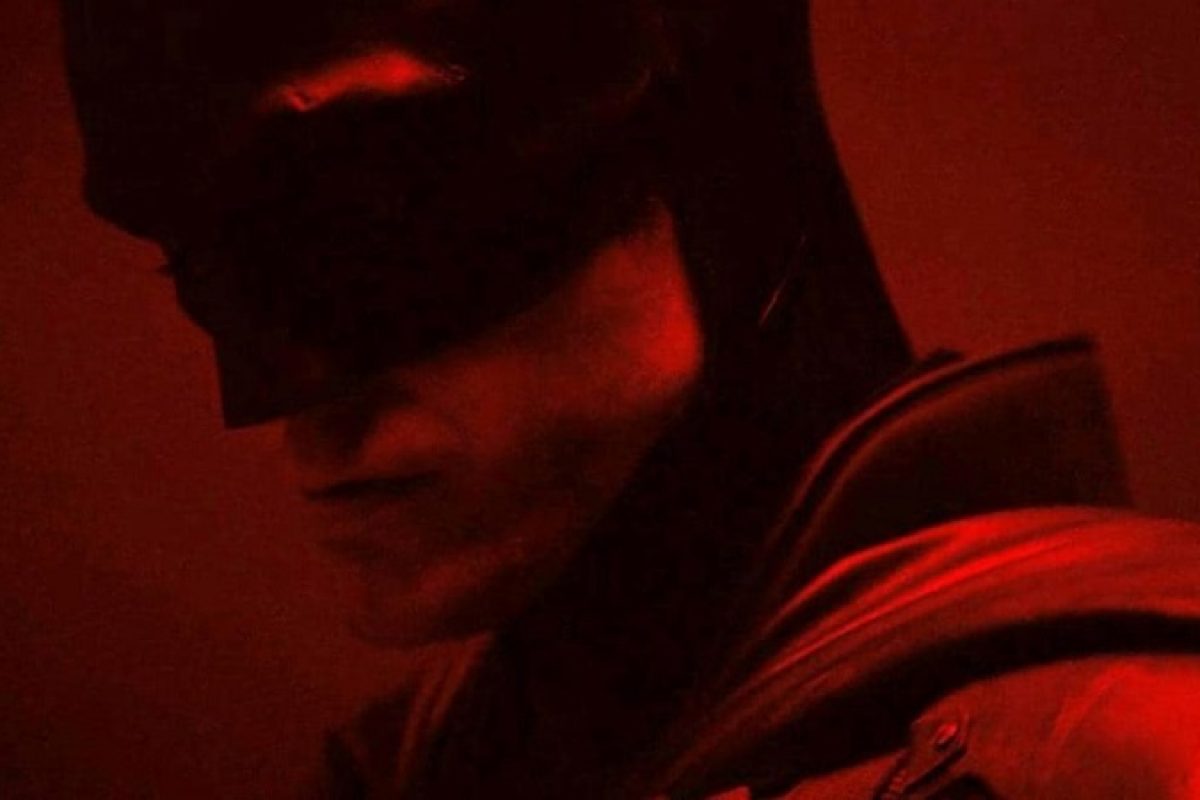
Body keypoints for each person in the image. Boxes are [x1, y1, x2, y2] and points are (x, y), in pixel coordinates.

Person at [61, 0, 1200, 797]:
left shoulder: (1135, 746)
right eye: (196, 271)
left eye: (367, 227)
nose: (282, 396)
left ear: (717, 156)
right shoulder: (420, 769)